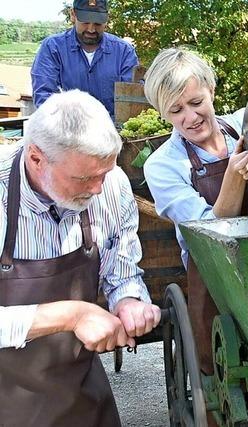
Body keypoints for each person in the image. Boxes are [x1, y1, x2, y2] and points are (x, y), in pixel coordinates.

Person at [0, 89, 161, 426]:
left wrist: (129, 299)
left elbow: (121, 267)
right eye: (85, 178)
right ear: (36, 158)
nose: (99, 188)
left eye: (104, 173)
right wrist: (72, 315)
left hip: (81, 399)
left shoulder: (111, 184)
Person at [143, 48, 248, 374]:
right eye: (176, 110)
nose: (190, 117)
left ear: (212, 90)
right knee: (223, 374)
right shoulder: (164, 166)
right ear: (163, 113)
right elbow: (208, 230)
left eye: (196, 103)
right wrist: (233, 180)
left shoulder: (246, 125)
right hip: (215, 285)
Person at [31, 0, 138, 120]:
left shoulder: (124, 51)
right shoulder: (52, 47)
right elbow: (44, 98)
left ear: (107, 19)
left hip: (113, 133)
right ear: (73, 15)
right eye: (85, 22)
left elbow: (132, 101)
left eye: (97, 23)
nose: (91, 29)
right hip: (66, 131)